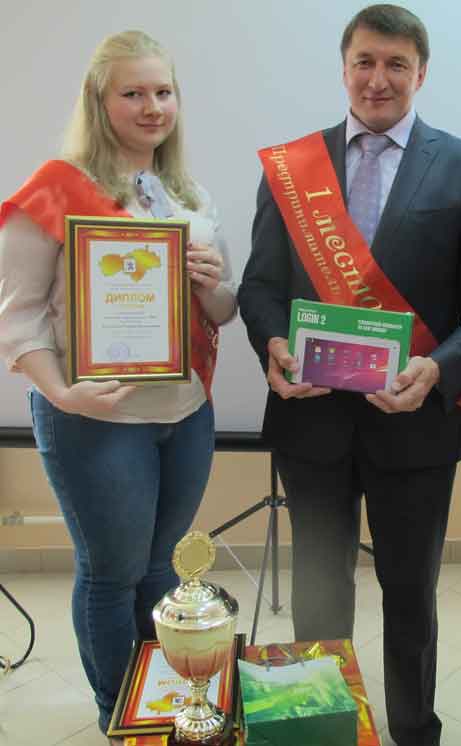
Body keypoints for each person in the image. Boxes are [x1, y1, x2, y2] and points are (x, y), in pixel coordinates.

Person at [238, 5, 461, 745]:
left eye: (396, 64)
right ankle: (319, 728)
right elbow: (259, 286)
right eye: (365, 61)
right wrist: (272, 343)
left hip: (415, 423)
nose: (378, 78)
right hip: (313, 420)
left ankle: (414, 731)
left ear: (421, 73)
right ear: (344, 68)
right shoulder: (293, 168)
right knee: (318, 592)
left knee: (410, 596)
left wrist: (439, 367)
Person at [0, 31, 236, 738]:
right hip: (94, 418)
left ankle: (162, 707)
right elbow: (17, 318)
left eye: (163, 92)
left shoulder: (190, 195)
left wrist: (212, 284)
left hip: (186, 412)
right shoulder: (57, 189)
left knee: (160, 569)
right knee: (111, 573)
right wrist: (63, 393)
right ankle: (120, 718)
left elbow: (223, 309)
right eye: (133, 93)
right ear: (100, 102)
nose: (152, 106)